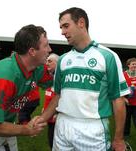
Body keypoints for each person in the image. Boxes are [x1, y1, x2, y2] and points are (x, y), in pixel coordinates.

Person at [35, 7, 130, 151]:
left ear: (81, 23)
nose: (62, 32)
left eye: (66, 26)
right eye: (61, 28)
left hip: (92, 129)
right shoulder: (63, 60)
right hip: (62, 124)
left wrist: (118, 139)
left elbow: (118, 100)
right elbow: (58, 95)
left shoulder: (107, 56)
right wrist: (42, 118)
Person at [42, 53, 59, 149]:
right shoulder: (50, 77)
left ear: (58, 63)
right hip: (49, 118)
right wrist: (45, 108)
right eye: (46, 61)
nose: (47, 63)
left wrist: (58, 112)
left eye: (50, 61)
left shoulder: (62, 79)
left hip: (58, 120)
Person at [123, 57, 136, 138]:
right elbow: (119, 87)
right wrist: (123, 98)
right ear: (128, 65)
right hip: (126, 102)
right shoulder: (123, 75)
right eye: (133, 64)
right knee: (126, 119)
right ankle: (126, 134)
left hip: (135, 102)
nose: (135, 65)